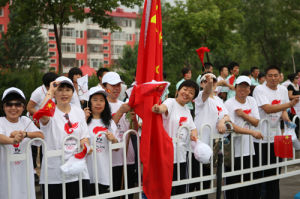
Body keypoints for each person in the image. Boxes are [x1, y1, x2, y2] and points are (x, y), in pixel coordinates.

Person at [39, 76, 91, 199]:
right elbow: (41, 114)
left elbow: (84, 137)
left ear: (73, 93)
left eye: (68, 90)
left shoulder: (78, 111)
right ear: (54, 92)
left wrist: (86, 146)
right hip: (54, 174)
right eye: (60, 89)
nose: (64, 93)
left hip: (77, 171)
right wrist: (50, 92)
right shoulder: (50, 109)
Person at [252, 66, 299, 199]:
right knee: (259, 174)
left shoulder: (283, 89)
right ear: (265, 77)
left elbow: (282, 110)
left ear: (280, 76)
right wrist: (289, 105)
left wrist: (287, 120)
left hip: (277, 138)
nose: (273, 78)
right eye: (270, 75)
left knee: (275, 173)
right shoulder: (260, 89)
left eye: (275, 75)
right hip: (260, 138)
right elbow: (268, 109)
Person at [152, 80, 199, 195]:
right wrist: (158, 109)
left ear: (193, 98)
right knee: (168, 190)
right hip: (167, 155)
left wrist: (194, 135)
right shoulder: (171, 102)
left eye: (191, 92)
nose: (187, 93)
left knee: (181, 190)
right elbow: (163, 108)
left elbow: (193, 128)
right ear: (178, 91)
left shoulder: (187, 110)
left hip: (182, 155)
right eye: (185, 89)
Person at [0, 87, 44, 199]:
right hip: (5, 172)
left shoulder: (25, 121)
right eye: (9, 104)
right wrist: (12, 140)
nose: (13, 108)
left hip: (25, 172)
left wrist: (25, 134)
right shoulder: (1, 121)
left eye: (18, 104)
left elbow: (41, 136)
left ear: (23, 107)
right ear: (3, 107)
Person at [224, 76, 263, 199]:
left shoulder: (251, 101)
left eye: (246, 86)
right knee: (232, 183)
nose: (243, 89)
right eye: (240, 86)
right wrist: (251, 132)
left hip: (248, 148)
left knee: (248, 181)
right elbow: (231, 126)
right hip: (232, 149)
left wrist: (242, 114)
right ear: (235, 88)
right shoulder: (229, 103)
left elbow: (256, 122)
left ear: (249, 89)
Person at [102, 72, 138, 199]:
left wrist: (134, 120)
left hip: (128, 154)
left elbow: (133, 130)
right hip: (111, 158)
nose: (116, 88)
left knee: (128, 191)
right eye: (113, 85)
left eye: (118, 85)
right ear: (104, 87)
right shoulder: (101, 105)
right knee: (114, 192)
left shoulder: (124, 104)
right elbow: (105, 129)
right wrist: (120, 112)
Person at [84, 86, 119, 195]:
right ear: (89, 103)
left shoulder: (109, 123)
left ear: (105, 103)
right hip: (85, 172)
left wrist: (113, 139)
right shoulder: (82, 120)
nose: (98, 103)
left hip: (103, 172)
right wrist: (83, 119)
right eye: (95, 100)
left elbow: (117, 148)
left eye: (101, 100)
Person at [27, 72, 58, 183]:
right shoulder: (38, 92)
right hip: (35, 121)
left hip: (48, 121)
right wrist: (39, 117)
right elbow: (29, 107)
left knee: (46, 144)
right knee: (35, 146)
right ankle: (34, 171)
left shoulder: (57, 91)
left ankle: (45, 167)